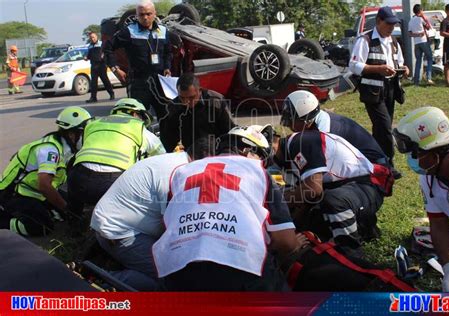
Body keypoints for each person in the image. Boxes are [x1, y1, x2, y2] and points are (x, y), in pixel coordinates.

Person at [153, 126, 307, 291]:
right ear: (248, 151)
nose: (263, 164)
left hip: (176, 269)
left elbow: (167, 225)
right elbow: (286, 242)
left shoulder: (182, 172)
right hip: (239, 269)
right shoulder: (258, 172)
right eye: (262, 157)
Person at [91, 138, 213, 290]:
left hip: (118, 226)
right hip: (118, 233)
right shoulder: (178, 173)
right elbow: (173, 227)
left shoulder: (176, 161)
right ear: (206, 157)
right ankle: (100, 281)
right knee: (170, 277)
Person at [275, 104, 394, 256]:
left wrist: (277, 203)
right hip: (353, 186)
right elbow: (306, 200)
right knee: (309, 214)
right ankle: (365, 228)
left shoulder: (300, 141)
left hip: (368, 186)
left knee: (333, 200)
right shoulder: (291, 152)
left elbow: (313, 190)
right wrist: (293, 232)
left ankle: (351, 252)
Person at [393, 106, 449, 292]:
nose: (412, 161)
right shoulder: (429, 178)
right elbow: (438, 224)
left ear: (438, 151)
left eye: (416, 154)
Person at [0, 107, 91, 236]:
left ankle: (48, 212)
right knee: (41, 227)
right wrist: (65, 209)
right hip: (13, 193)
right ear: (71, 134)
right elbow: (44, 185)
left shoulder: (66, 150)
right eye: (84, 133)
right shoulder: (50, 150)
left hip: (34, 193)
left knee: (74, 209)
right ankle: (4, 222)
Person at [67, 98, 165, 218]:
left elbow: (79, 151)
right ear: (135, 114)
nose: (143, 122)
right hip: (111, 187)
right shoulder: (139, 129)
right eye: (142, 118)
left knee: (75, 165)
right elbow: (162, 160)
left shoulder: (93, 124)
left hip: (78, 183)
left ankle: (75, 221)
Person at [349, 6, 409, 177]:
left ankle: (375, 161)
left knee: (381, 128)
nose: (391, 27)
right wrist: (378, 68)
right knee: (385, 128)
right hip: (372, 91)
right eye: (388, 24)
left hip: (390, 89)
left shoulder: (393, 42)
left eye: (394, 24)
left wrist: (404, 69)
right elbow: (354, 65)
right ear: (378, 21)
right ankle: (388, 165)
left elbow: (399, 62)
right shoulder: (365, 40)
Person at [280, 90, 394, 176]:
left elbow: (320, 168)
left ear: (306, 120)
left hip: (374, 168)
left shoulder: (326, 132)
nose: (289, 126)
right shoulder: (318, 122)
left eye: (291, 121)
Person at [103, 0, 172, 122]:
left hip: (160, 82)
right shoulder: (129, 31)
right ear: (136, 15)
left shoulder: (163, 31)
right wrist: (115, 69)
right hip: (139, 83)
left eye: (148, 14)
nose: (145, 17)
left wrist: (167, 67)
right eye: (141, 14)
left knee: (166, 119)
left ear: (155, 13)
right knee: (138, 121)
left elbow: (168, 52)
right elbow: (107, 49)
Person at [160, 73, 235, 152]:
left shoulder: (215, 102)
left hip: (217, 151)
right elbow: (167, 140)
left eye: (191, 97)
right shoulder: (173, 108)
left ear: (200, 90)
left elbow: (230, 131)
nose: (186, 102)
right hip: (190, 154)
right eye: (182, 98)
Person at [84, 32, 114, 103]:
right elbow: (89, 55)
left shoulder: (101, 44)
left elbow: (107, 52)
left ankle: (111, 94)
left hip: (101, 65)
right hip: (93, 66)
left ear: (97, 37)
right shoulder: (90, 46)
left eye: (93, 37)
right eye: (91, 37)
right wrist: (86, 57)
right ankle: (93, 98)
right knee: (93, 82)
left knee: (105, 80)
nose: (92, 38)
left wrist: (104, 56)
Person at [408, 4, 434, 86]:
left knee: (418, 61)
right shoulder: (421, 19)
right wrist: (424, 17)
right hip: (424, 42)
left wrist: (417, 35)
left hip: (416, 43)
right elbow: (429, 26)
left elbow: (409, 34)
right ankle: (428, 78)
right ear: (420, 11)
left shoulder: (411, 21)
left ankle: (416, 82)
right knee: (430, 58)